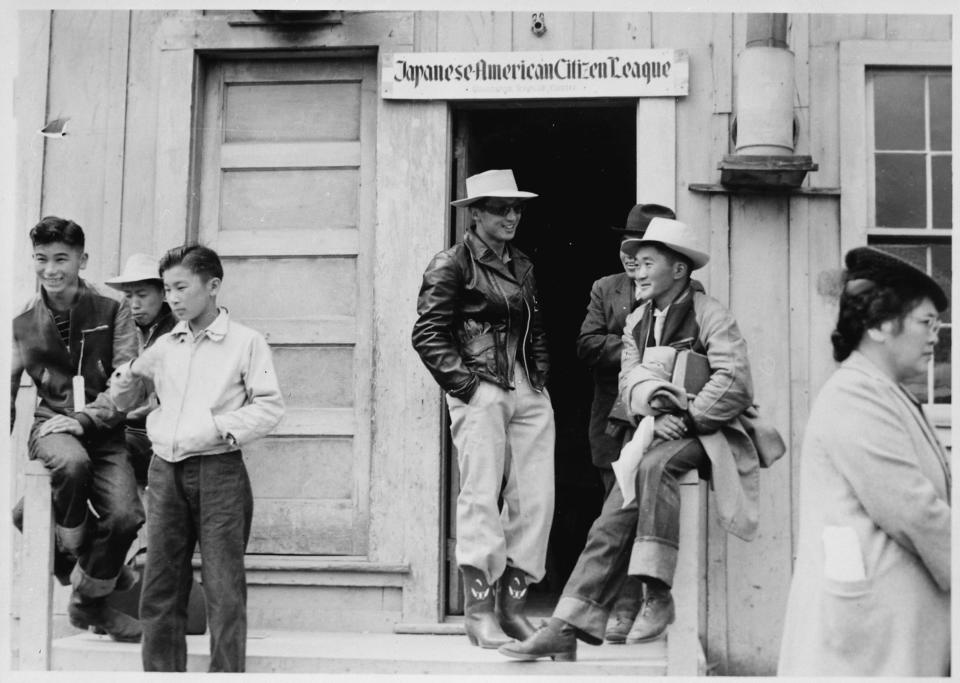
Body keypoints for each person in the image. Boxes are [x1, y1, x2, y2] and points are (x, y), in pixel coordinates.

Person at [500, 216, 773, 661]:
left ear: (679, 270)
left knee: (653, 465)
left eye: (647, 263)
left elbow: (736, 381)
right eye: (635, 263)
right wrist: (654, 406)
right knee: (610, 517)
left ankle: (656, 593)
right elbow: (629, 381)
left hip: (711, 432)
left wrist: (686, 417)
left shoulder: (711, 314)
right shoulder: (637, 322)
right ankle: (565, 625)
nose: (637, 271)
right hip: (653, 430)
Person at [109, 244, 285, 672]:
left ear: (213, 286)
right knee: (161, 586)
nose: (173, 298)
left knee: (225, 588)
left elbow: (269, 407)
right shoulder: (166, 346)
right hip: (165, 472)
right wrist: (129, 375)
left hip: (218, 471)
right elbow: (124, 401)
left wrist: (217, 428)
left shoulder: (246, 342)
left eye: (181, 287)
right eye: (168, 289)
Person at [778, 247, 950, 677]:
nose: (936, 337)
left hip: (885, 636)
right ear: (878, 325)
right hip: (863, 646)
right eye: (926, 323)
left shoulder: (884, 392)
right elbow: (914, 511)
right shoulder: (857, 396)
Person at [411, 169, 554, 648]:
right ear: (475, 214)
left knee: (535, 498)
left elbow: (534, 329)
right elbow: (427, 333)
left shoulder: (523, 263)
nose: (511, 216)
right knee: (481, 494)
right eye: (500, 208)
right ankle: (479, 612)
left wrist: (539, 378)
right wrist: (469, 387)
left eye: (516, 208)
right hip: (483, 386)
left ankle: (513, 605)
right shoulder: (451, 264)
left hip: (526, 388)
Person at [10, 216, 144, 641]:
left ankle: (86, 599)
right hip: (52, 425)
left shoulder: (112, 307)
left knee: (126, 515)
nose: (51, 270)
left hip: (104, 427)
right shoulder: (17, 318)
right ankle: (80, 560)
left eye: (61, 259)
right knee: (70, 463)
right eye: (41, 259)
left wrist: (88, 418)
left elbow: (128, 380)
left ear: (82, 259)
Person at [575, 202, 676, 643]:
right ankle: (615, 608)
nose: (632, 257)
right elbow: (587, 345)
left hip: (656, 421)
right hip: (612, 421)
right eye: (626, 246)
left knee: (644, 513)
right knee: (611, 514)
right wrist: (637, 351)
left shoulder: (683, 293)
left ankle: (638, 607)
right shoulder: (606, 288)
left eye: (645, 249)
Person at [104, 253, 177, 485]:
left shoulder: (177, 332)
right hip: (116, 426)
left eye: (142, 295)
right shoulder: (121, 330)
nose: (134, 304)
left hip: (153, 434)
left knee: (112, 455)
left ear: (163, 293)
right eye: (128, 296)